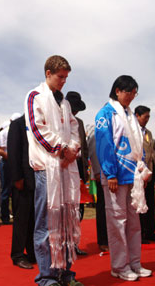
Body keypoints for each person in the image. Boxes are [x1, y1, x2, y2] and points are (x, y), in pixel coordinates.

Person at [24, 55, 83, 286]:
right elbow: (37, 130)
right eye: (60, 77)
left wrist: (73, 150)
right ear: (48, 73)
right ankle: (47, 278)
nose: (63, 81)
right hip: (46, 170)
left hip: (66, 169)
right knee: (47, 224)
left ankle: (65, 273)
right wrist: (62, 150)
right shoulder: (34, 97)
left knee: (67, 223)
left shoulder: (65, 103)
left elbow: (75, 128)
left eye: (66, 77)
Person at [95, 75, 152, 282]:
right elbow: (104, 144)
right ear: (117, 90)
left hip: (132, 176)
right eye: (129, 92)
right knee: (117, 223)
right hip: (115, 177)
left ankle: (135, 263)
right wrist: (110, 173)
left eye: (135, 93)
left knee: (134, 223)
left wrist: (142, 167)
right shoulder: (105, 114)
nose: (132, 97)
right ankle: (119, 266)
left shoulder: (130, 115)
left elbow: (138, 145)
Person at [9, 114, 36, 269]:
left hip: (36, 180)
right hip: (22, 181)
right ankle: (17, 254)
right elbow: (13, 154)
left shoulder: (38, 124)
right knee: (21, 220)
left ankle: (32, 252)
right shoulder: (17, 124)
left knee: (33, 219)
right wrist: (17, 178)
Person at [134, 105, 155, 243]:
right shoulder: (132, 132)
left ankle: (150, 231)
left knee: (150, 204)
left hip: (151, 173)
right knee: (140, 203)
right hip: (139, 173)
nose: (147, 119)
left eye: (149, 117)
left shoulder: (149, 133)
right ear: (137, 116)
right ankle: (140, 234)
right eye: (145, 116)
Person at [66, 91, 89, 256]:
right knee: (64, 209)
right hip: (65, 167)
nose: (75, 112)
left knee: (79, 210)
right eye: (73, 108)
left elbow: (85, 148)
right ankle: (63, 245)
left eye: (77, 109)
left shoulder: (79, 123)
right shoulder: (59, 119)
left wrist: (86, 172)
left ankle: (73, 244)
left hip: (79, 169)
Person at [86, 124, 108, 253]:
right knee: (103, 208)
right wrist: (98, 172)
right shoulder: (98, 131)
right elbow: (94, 152)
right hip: (103, 175)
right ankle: (104, 240)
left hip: (118, 175)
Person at [0, 113, 22, 225]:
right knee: (6, 191)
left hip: (18, 164)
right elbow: (0, 150)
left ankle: (17, 215)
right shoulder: (3, 133)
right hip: (7, 164)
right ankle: (5, 217)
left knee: (17, 191)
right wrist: (12, 158)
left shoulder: (23, 132)